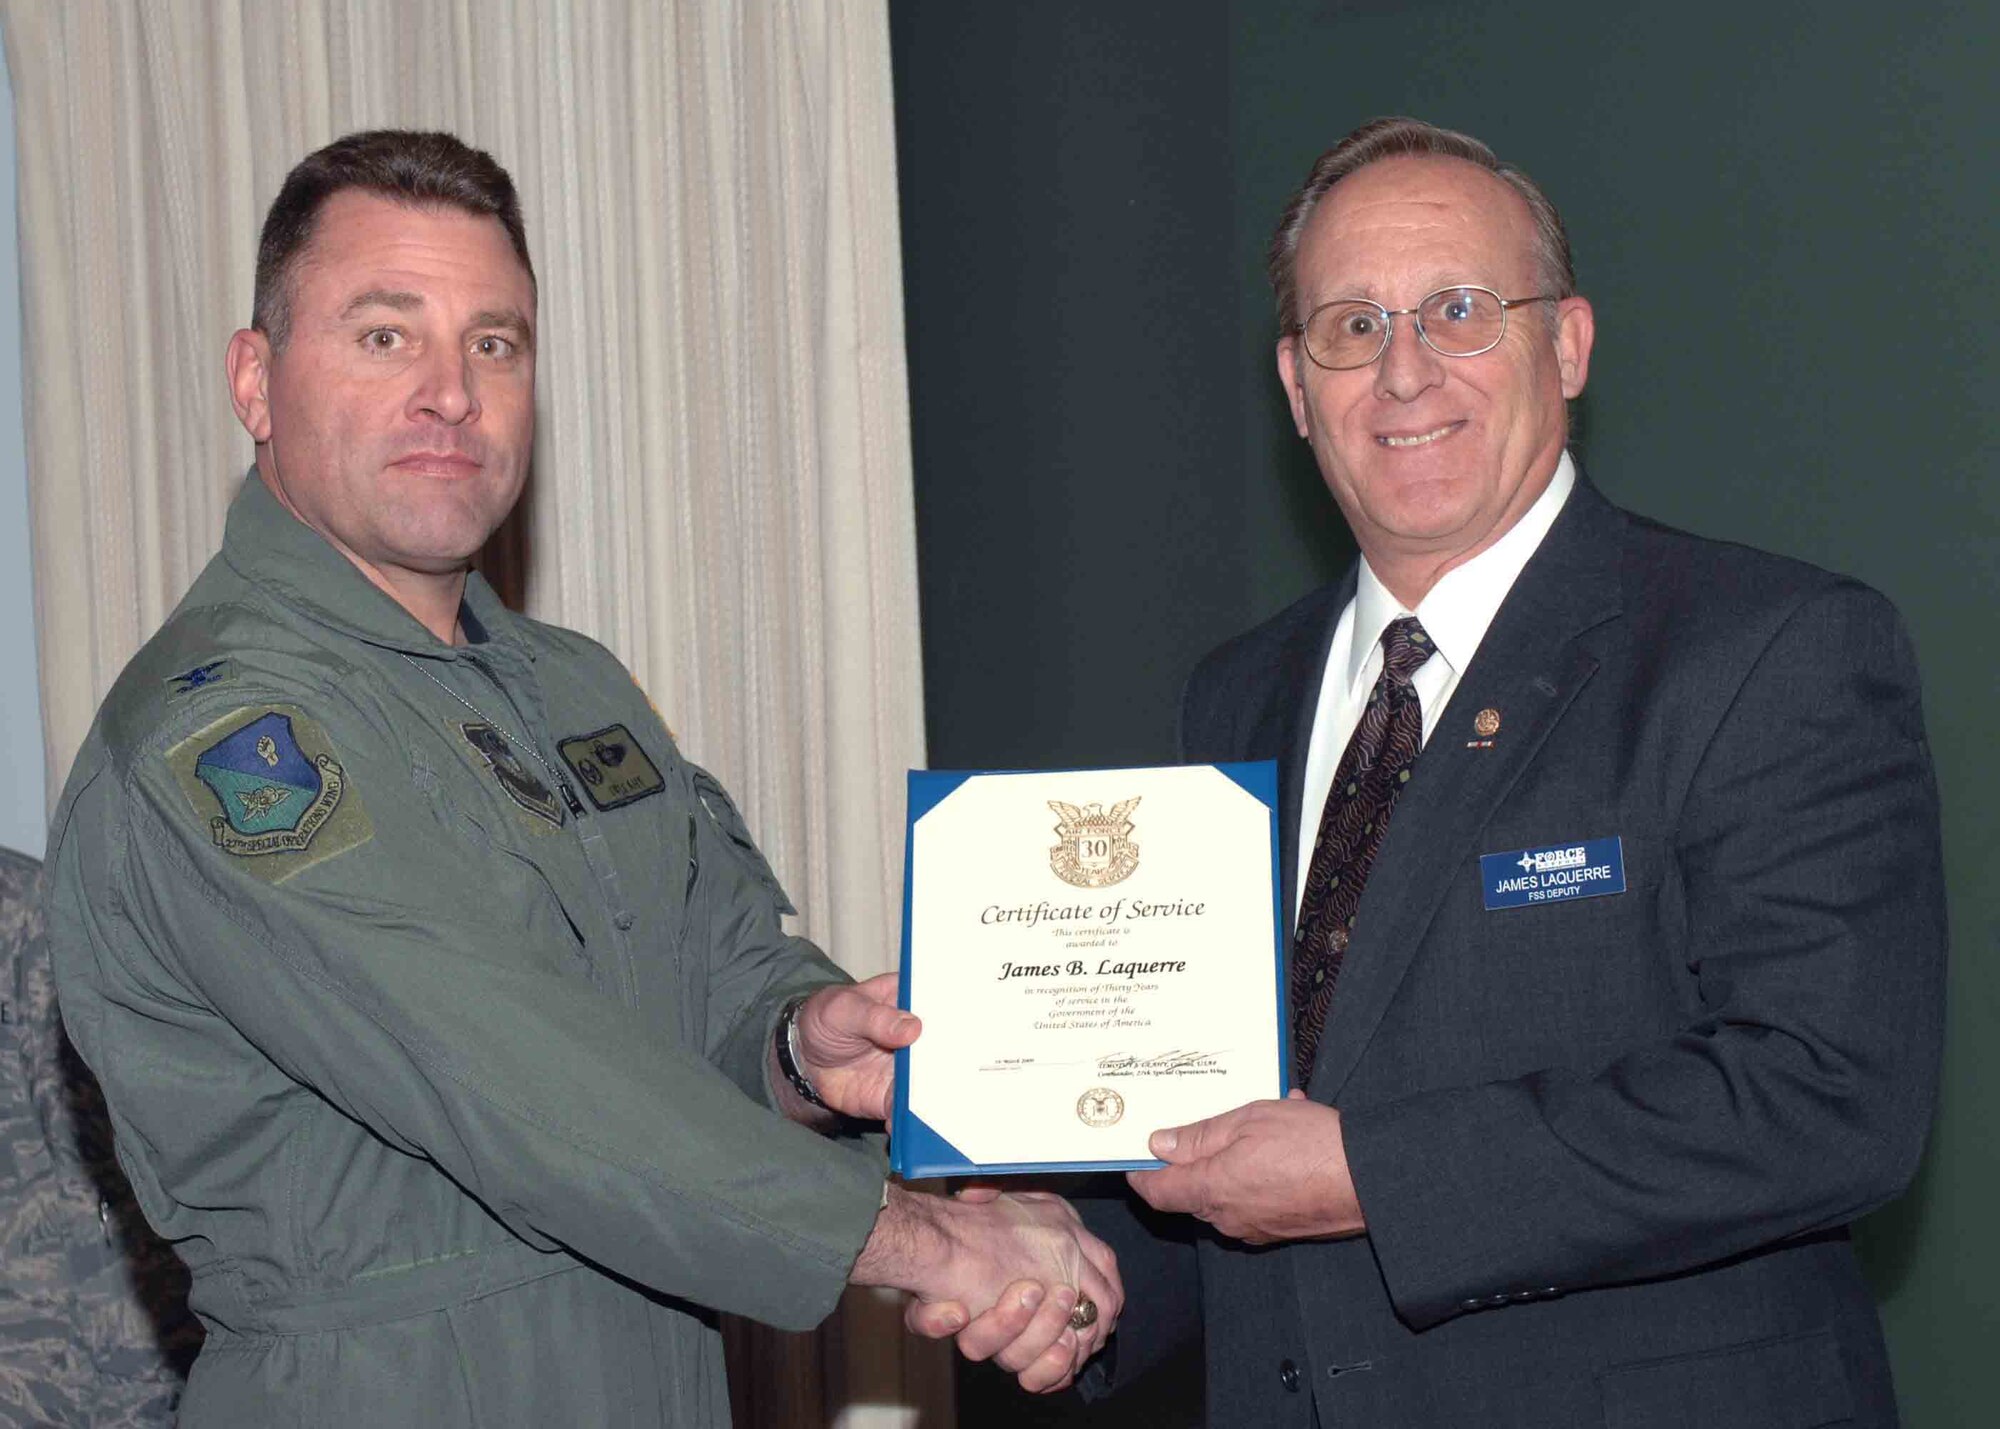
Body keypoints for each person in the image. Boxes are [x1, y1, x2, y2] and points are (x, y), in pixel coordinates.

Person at [43, 129, 1119, 1427]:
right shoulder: (220, 741)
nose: (451, 390)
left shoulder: (574, 685)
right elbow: (517, 1074)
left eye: (494, 343)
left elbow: (712, 959)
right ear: (256, 380)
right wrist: (938, 1245)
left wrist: (795, 1042)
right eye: (386, 335)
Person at [918, 117, 1944, 1427]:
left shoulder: (1766, 647)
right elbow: (1235, 1128)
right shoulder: (1239, 692)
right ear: (1296, 385)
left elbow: (1827, 1095)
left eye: (1459, 310)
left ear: (1565, 343)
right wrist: (1073, 1271)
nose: (1404, 373)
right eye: (1352, 325)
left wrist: (1371, 1173)